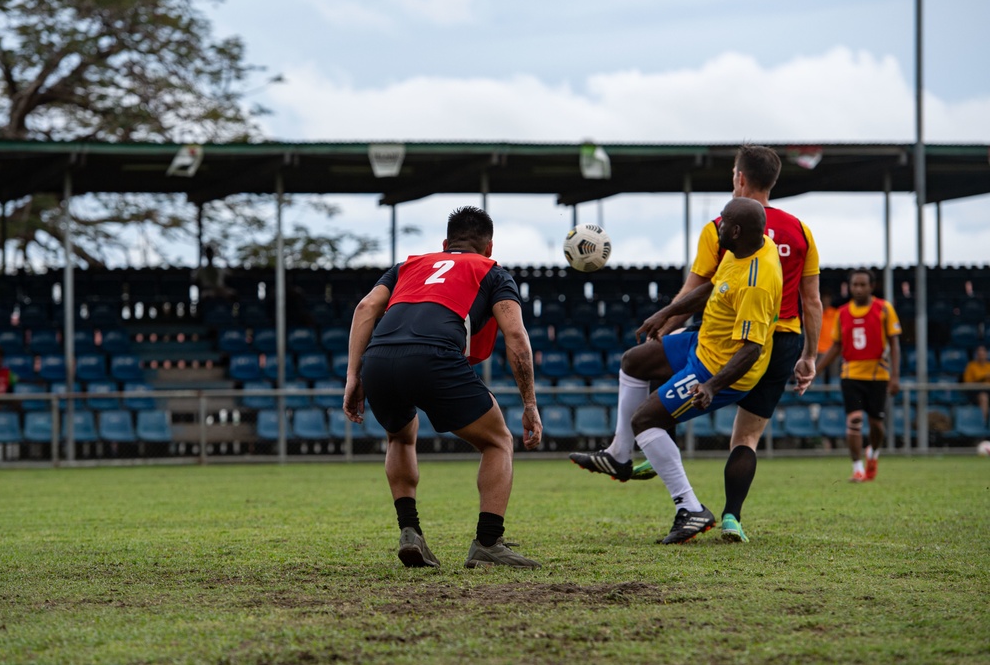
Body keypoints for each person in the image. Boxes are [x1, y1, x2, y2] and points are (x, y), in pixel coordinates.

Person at [573, 144, 822, 545]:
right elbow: (717, 288)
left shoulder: (746, 265)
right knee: (635, 362)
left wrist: (710, 385)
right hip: (757, 342)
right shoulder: (779, 236)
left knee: (647, 420)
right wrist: (662, 316)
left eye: (724, 224)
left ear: (740, 178)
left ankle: (689, 508)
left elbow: (750, 347)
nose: (718, 226)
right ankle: (628, 459)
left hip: (731, 356)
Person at [343, 206, 543, 569]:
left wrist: (354, 375)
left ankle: (410, 532)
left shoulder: (408, 265)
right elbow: (515, 335)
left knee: (400, 438)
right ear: (489, 246)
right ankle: (487, 542)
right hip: (433, 356)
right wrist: (529, 403)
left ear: (445, 243)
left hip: (379, 358)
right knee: (498, 441)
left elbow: (365, 307)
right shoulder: (491, 271)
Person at [816, 268, 901, 482]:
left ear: (872, 287)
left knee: (876, 425)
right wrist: (815, 370)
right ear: (850, 287)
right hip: (851, 374)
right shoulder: (842, 313)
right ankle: (857, 468)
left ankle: (873, 454)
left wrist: (895, 376)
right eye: (855, 285)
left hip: (877, 375)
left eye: (863, 285)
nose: (859, 288)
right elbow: (836, 346)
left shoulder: (884, 309)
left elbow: (894, 344)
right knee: (854, 420)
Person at [961, 344, 990, 423]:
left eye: (983, 353)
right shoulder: (971, 366)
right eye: (979, 353)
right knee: (984, 397)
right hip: (976, 391)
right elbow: (968, 382)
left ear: (986, 354)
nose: (981, 355)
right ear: (976, 355)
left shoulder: (989, 365)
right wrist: (984, 377)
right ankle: (984, 422)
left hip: (989, 389)